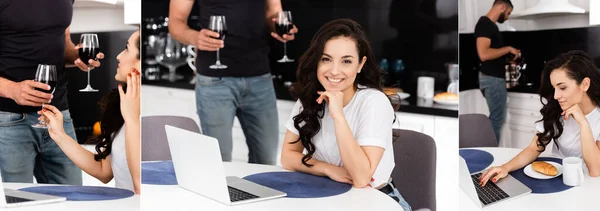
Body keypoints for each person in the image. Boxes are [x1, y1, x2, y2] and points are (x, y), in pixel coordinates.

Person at [280, 19, 411, 211]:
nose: (334, 70)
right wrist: (328, 169)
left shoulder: (374, 102)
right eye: (326, 59)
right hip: (330, 197)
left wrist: (338, 115)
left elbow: (360, 178)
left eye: (346, 61)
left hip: (377, 201)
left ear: (360, 64)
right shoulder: (308, 100)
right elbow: (288, 157)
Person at [168, 0, 298, 165]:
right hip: (214, 82)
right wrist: (195, 37)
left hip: (260, 78)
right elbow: (176, 22)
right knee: (218, 163)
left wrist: (280, 27)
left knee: (266, 162)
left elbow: (273, 12)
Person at [0, 0, 104, 184]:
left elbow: (63, 43)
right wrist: (11, 89)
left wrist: (78, 57)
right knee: (20, 201)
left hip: (58, 115)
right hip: (10, 119)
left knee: (73, 199)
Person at [40, 31, 141, 194]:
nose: (118, 56)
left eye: (127, 49)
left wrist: (132, 119)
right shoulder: (122, 105)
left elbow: (140, 188)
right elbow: (103, 171)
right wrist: (59, 134)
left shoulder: (140, 116)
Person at [479, 50, 600, 186]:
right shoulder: (557, 111)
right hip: (557, 180)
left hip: (588, 185)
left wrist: (583, 123)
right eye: (554, 88)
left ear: (585, 84)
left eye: (562, 87)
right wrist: (505, 167)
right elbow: (533, 149)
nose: (555, 96)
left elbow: (595, 170)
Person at [474, 0, 520, 142]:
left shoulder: (489, 26)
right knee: (496, 120)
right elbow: (484, 54)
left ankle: (489, 152)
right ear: (502, 7)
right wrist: (508, 49)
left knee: (495, 119)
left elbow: (491, 54)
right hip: (493, 80)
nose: (507, 17)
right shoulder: (485, 24)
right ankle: (491, 154)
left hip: (492, 78)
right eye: (508, 13)